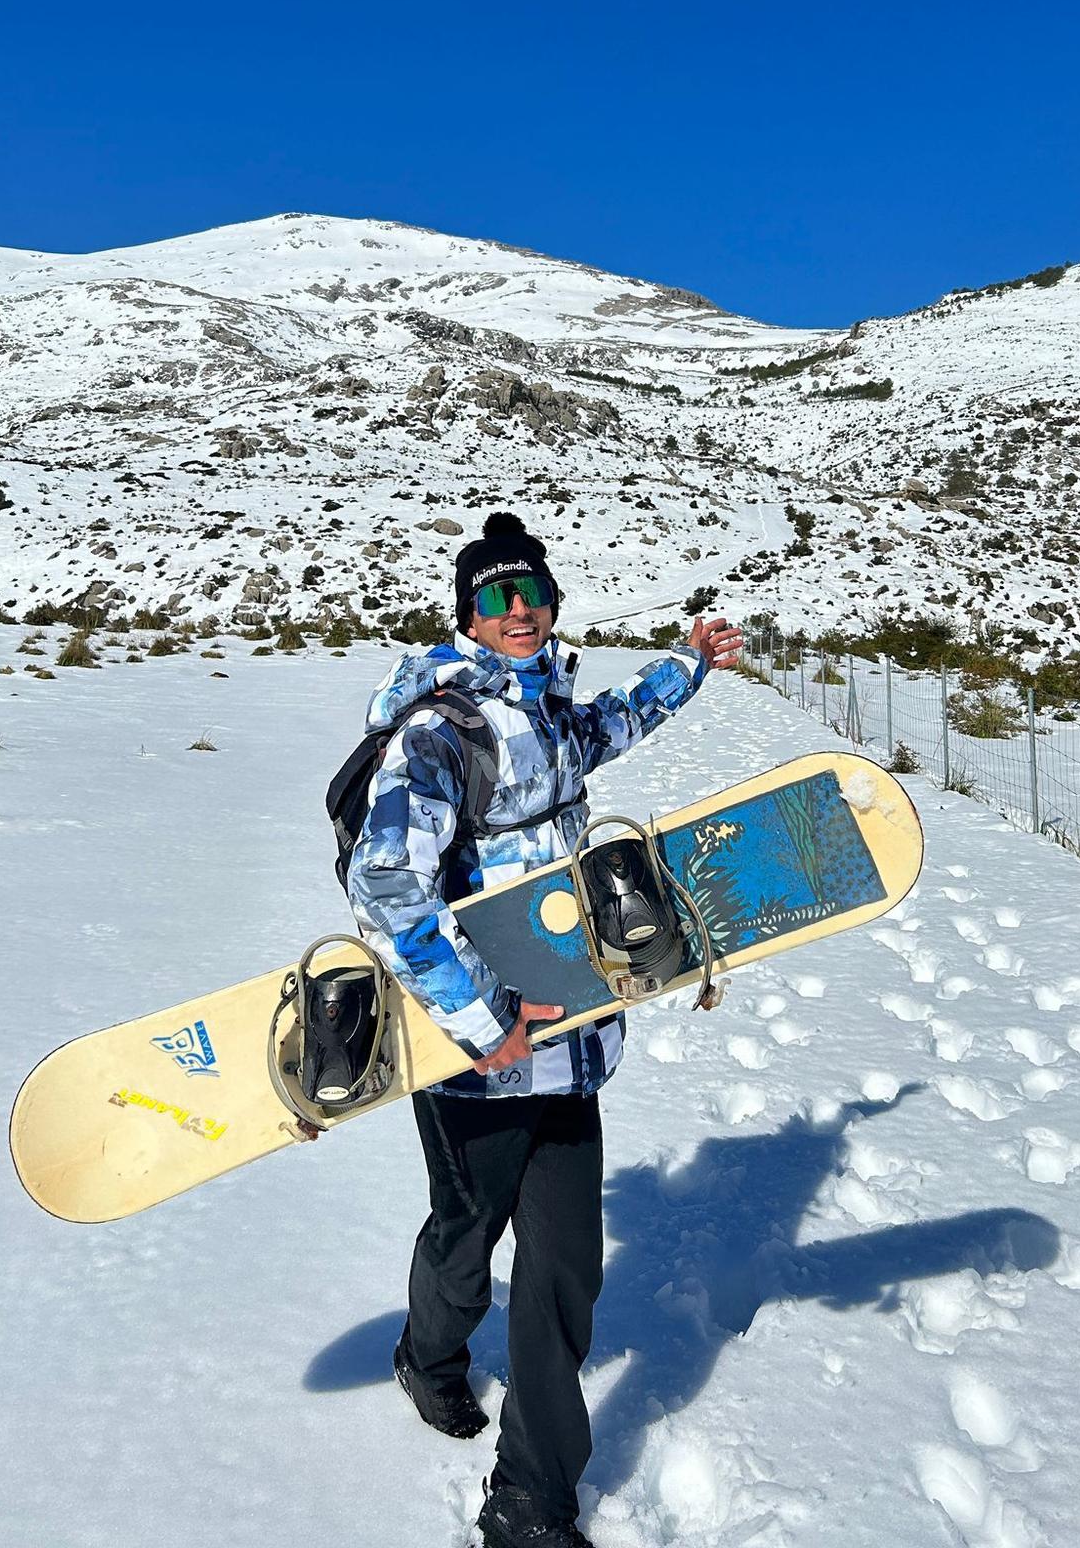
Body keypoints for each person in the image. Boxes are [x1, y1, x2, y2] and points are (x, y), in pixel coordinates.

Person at [347, 513, 743, 1548]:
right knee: (465, 1242)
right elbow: (385, 882)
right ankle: (427, 1358)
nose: (518, 609)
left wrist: (687, 663)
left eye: (533, 593)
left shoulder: (553, 715)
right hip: (473, 1058)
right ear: (466, 613)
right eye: (495, 597)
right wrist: (483, 1021)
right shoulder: (441, 731)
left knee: (563, 1268)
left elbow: (618, 720)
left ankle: (531, 1495)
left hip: (571, 1039)